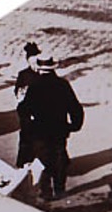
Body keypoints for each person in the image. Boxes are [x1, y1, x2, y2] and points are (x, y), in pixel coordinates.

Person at [22, 55, 84, 199]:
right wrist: (74, 125)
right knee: (59, 158)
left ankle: (45, 190)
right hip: (59, 129)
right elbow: (75, 108)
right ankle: (59, 188)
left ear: (39, 68)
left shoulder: (34, 86)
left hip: (40, 130)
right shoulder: (63, 85)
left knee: (43, 160)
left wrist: (28, 125)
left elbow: (25, 109)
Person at [12, 41, 42, 167]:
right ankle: (23, 163)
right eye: (32, 60)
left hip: (41, 112)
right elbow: (18, 93)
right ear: (28, 61)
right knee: (26, 139)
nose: (35, 63)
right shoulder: (23, 75)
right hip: (27, 113)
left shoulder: (43, 74)